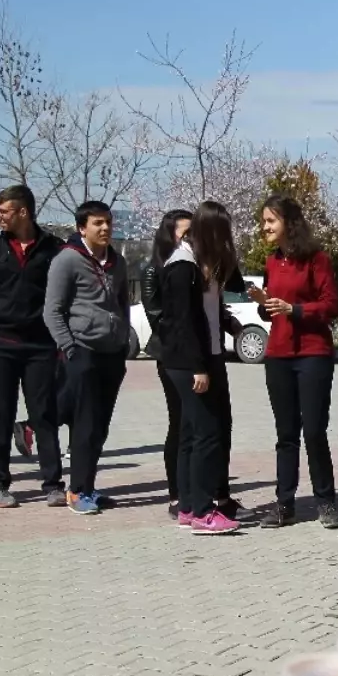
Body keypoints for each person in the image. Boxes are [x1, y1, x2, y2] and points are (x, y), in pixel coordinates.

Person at [248, 194, 338, 530]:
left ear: (289, 222)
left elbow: (331, 304)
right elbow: (272, 309)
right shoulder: (272, 261)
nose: (265, 227)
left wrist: (296, 310)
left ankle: (326, 502)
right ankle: (284, 504)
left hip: (313, 353)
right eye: (264, 221)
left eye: (271, 220)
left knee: (314, 431)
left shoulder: (316, 259)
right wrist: (263, 304)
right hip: (278, 355)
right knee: (286, 434)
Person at [157, 201, 242, 535]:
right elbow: (183, 324)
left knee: (196, 433)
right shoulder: (182, 266)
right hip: (189, 362)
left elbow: (228, 286)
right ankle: (204, 509)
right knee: (205, 433)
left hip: (209, 355)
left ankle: (190, 507)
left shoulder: (202, 263)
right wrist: (198, 368)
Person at [42, 201, 130, 514]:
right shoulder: (67, 259)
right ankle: (77, 491)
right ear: (82, 228)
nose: (105, 228)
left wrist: (123, 341)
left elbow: (122, 305)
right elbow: (52, 311)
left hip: (112, 354)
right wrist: (70, 348)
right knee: (85, 424)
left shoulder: (117, 262)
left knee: (100, 426)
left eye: (108, 222)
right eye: (97, 223)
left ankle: (89, 486)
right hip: (83, 350)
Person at [0, 185, 66, 508]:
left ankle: (53, 483)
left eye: (4, 211)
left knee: (44, 413)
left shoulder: (53, 249)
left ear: (23, 212)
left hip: (39, 345)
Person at [143, 210, 192, 518]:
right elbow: (158, 315)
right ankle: (176, 492)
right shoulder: (154, 269)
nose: (191, 240)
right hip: (170, 355)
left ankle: (197, 488)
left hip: (194, 353)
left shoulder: (192, 265)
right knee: (179, 420)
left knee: (195, 423)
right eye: (185, 233)